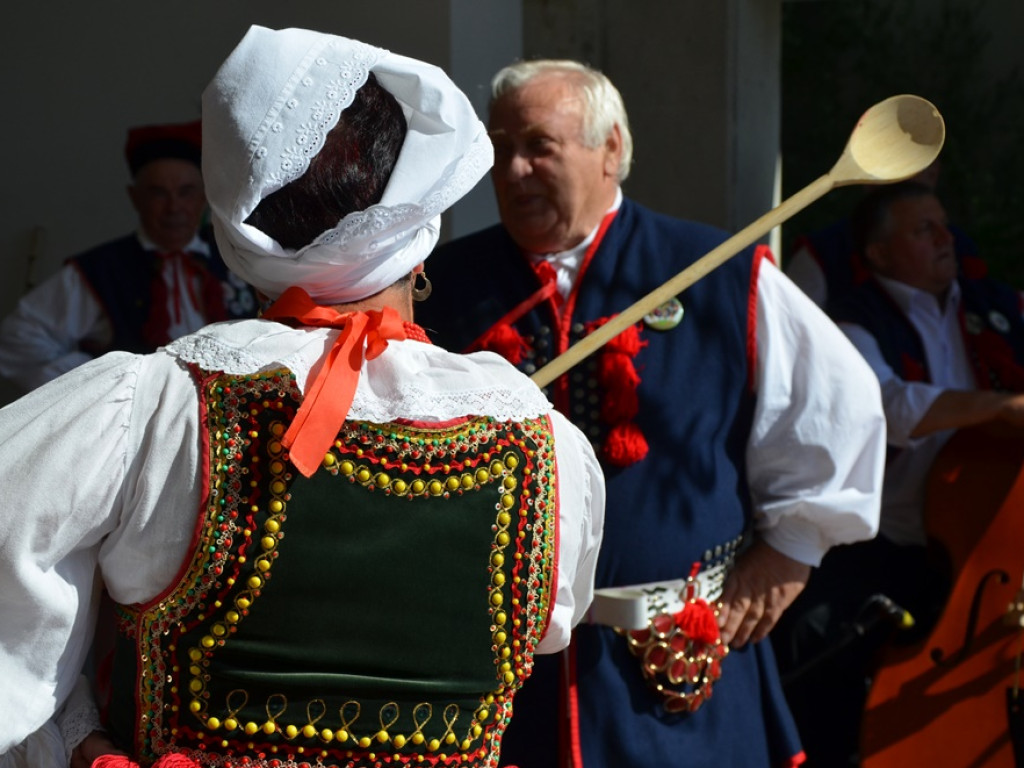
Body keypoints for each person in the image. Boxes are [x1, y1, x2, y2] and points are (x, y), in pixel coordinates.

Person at [0, 27, 604, 768]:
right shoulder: (543, 441)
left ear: (237, 215)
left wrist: (73, 738)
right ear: (421, 215)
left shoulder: (155, 408)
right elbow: (550, 627)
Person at [416, 58, 887, 767]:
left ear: (610, 149)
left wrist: (791, 550)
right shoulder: (438, 285)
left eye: (539, 146)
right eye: (500, 147)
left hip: (679, 679)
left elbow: (836, 408)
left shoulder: (717, 269)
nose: (513, 170)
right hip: (502, 686)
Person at [774, 180, 1024, 765]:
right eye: (923, 230)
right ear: (880, 254)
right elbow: (884, 404)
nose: (946, 239)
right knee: (818, 640)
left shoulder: (997, 306)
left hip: (994, 542)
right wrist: (994, 408)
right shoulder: (853, 324)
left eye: (944, 226)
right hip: (886, 539)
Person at [0, 119, 257, 393]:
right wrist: (101, 384)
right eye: (158, 193)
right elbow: (16, 341)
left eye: (186, 192)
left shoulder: (238, 256)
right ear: (135, 198)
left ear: (204, 198)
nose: (174, 207)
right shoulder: (103, 269)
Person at [784, 159, 978, 316]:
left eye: (932, 157)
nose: (943, 239)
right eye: (923, 229)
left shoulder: (960, 246)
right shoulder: (823, 254)